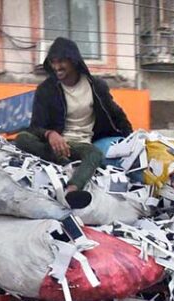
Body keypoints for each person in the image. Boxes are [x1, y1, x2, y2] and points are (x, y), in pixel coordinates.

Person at [15, 37, 133, 193]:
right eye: (53, 62)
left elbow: (117, 115)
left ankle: (73, 189)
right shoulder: (46, 89)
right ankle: (60, 160)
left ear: (73, 61)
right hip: (53, 147)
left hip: (81, 146)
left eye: (61, 61)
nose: (57, 67)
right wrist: (50, 134)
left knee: (94, 153)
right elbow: (35, 127)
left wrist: (132, 142)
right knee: (21, 138)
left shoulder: (96, 87)